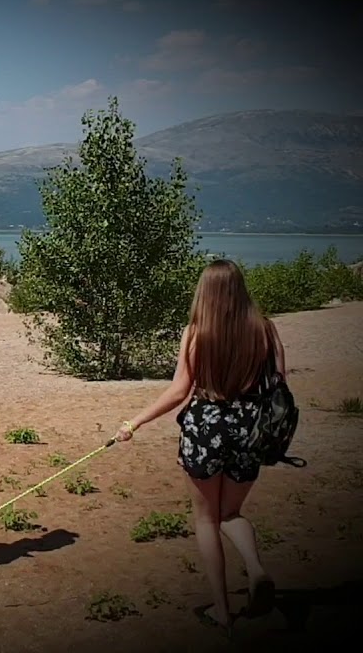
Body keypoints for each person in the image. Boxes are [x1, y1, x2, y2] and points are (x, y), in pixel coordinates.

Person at [115, 259, 282, 636]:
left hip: (206, 429)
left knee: (207, 519)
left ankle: (222, 611)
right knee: (231, 512)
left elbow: (180, 390)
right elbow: (278, 387)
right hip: (249, 430)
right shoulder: (266, 331)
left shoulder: (196, 333)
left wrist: (135, 422)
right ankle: (256, 569)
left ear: (205, 293)